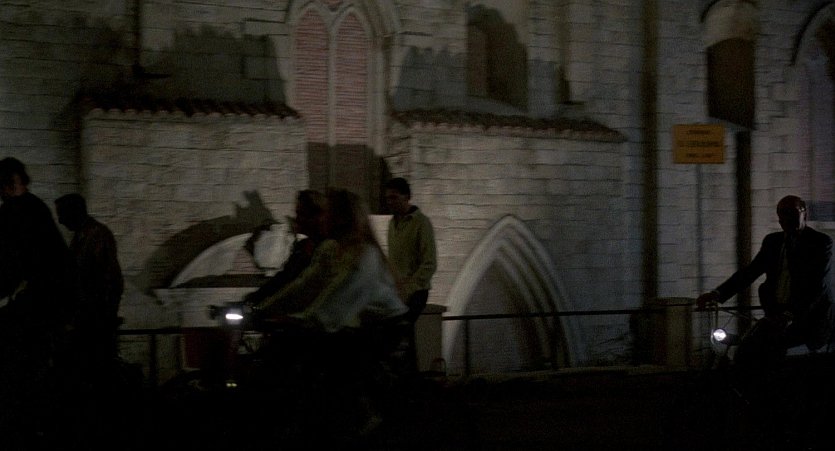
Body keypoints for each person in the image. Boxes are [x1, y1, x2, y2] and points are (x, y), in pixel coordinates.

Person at [697, 195, 834, 375]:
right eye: (782, 214)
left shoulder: (820, 242)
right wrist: (717, 294)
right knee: (745, 350)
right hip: (777, 316)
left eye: (792, 213)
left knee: (771, 352)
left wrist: (789, 315)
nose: (786, 218)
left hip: (808, 319)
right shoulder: (773, 242)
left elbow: (816, 287)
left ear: (804, 213)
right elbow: (750, 272)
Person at [0, 157, 76, 439]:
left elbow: (15, 263)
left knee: (22, 364)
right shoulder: (32, 208)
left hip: (41, 303)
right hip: (46, 300)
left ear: (11, 183)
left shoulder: (18, 212)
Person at [54, 193, 124, 371]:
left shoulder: (96, 236)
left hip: (93, 321)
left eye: (62, 215)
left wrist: (104, 317)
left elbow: (111, 281)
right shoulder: (84, 236)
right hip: (88, 318)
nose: (60, 221)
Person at [385, 177, 437, 372]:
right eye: (387, 198)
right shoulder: (392, 224)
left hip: (416, 292)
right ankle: (409, 377)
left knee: (401, 330)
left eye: (394, 197)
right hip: (397, 291)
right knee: (403, 336)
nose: (389, 202)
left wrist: (409, 289)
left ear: (406, 197)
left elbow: (429, 263)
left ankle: (406, 376)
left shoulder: (421, 223)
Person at [244, 189, 328, 308]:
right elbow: (283, 278)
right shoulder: (301, 246)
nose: (296, 219)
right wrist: (254, 297)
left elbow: (302, 283)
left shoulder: (327, 248)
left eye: (301, 214)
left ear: (316, 217)